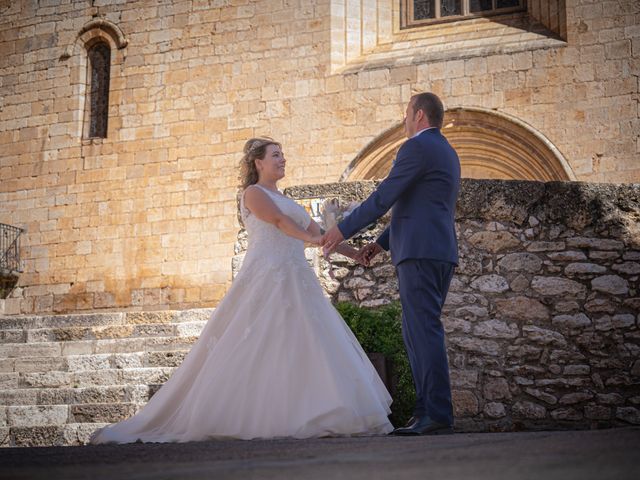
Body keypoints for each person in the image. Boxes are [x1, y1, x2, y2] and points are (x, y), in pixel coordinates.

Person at [90, 137, 393, 444]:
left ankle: (311, 410)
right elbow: (278, 221)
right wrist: (311, 240)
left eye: (283, 154)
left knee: (305, 341)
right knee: (256, 340)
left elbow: (318, 232)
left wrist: (352, 253)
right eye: (276, 155)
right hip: (267, 276)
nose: (283, 159)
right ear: (258, 163)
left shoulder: (288, 199)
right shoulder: (253, 194)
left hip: (297, 277)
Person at [322, 93, 461, 436]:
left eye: (405, 114)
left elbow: (385, 197)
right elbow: (418, 206)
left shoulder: (416, 148)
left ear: (419, 115)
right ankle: (426, 411)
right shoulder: (447, 152)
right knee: (418, 331)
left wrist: (342, 229)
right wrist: (380, 244)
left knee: (422, 331)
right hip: (437, 250)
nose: (402, 122)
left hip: (419, 252)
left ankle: (436, 413)